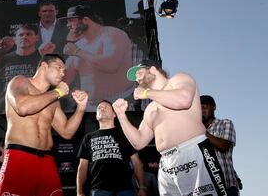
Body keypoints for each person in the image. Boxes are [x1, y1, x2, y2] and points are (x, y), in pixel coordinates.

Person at [112, 59, 228, 196]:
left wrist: (146, 93)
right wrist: (120, 115)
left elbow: (183, 100)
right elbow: (139, 142)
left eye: (139, 72)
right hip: (166, 163)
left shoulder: (178, 79)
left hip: (193, 152)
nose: (136, 78)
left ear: (153, 69)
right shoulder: (150, 108)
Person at [0, 54, 88, 196]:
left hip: (47, 161)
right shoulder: (20, 82)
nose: (62, 73)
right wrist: (57, 92)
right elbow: (23, 108)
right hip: (20, 156)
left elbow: (66, 132)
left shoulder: (53, 100)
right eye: (59, 68)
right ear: (44, 66)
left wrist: (81, 108)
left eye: (64, 71)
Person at [60, 5, 134, 110]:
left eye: (71, 20)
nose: (68, 25)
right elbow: (64, 81)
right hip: (90, 108)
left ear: (85, 20)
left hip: (121, 104)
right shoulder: (78, 46)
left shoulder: (112, 34)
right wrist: (50, 61)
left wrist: (78, 52)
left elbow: (111, 65)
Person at [76, 100, 146, 196]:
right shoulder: (88, 137)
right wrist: (79, 192)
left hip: (125, 188)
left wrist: (142, 187)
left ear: (114, 114)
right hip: (99, 189)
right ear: (96, 116)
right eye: (99, 108)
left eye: (106, 107)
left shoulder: (125, 134)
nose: (102, 108)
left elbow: (136, 162)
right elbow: (82, 166)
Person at [0, 24, 42, 114]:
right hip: (6, 114)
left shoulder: (43, 60)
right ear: (15, 40)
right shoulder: (3, 60)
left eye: (29, 34)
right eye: (21, 34)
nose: (24, 37)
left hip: (35, 113)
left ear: (36, 38)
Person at [201, 95, 241, 196]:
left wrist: (202, 131)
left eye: (204, 107)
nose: (201, 110)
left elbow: (223, 146)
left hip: (227, 186)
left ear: (214, 107)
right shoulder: (192, 131)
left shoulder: (225, 123)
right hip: (204, 187)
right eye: (199, 108)